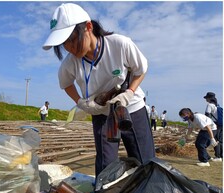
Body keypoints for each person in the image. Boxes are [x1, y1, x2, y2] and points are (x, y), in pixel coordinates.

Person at [43, 3, 155, 176]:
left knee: (144, 159)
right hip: (101, 112)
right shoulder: (70, 63)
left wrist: (130, 92)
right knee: (105, 164)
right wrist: (81, 102)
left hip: (131, 107)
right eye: (64, 44)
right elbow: (66, 84)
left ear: (88, 27)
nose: (70, 48)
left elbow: (141, 69)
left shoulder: (119, 44)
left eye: (72, 40)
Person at [203, 92, 222, 161]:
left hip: (215, 124)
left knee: (215, 140)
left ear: (209, 98)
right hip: (221, 124)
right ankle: (221, 156)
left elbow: (207, 115)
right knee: (220, 140)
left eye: (206, 98)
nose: (206, 99)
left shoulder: (210, 105)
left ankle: (218, 156)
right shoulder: (218, 105)